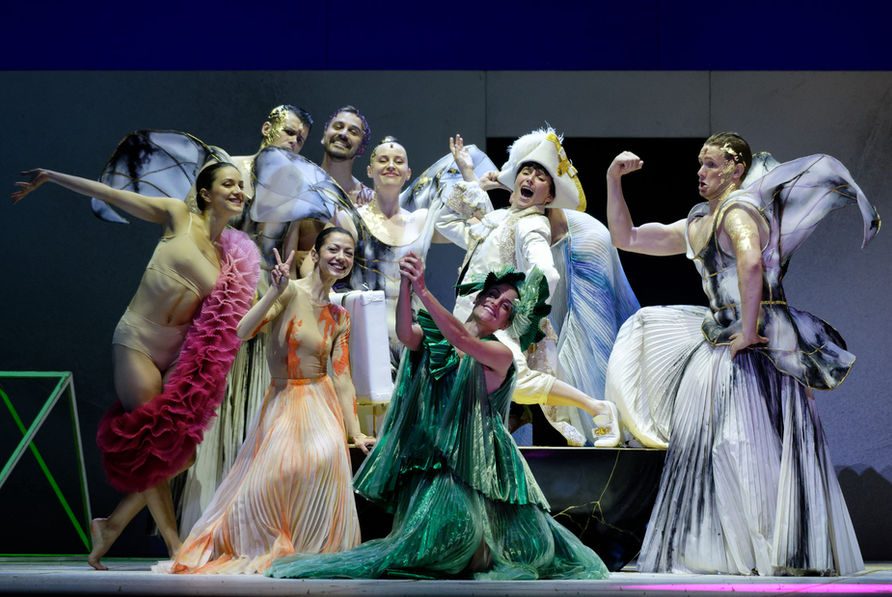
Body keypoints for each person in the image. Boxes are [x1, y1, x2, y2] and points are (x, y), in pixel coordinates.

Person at [604, 132, 878, 575]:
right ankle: (732, 549)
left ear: (736, 169)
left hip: (758, 345)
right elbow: (627, 237)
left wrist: (748, 332)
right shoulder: (701, 220)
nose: (701, 172)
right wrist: (614, 180)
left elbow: (750, 263)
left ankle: (765, 549)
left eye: (711, 164)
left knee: (742, 444)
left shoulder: (738, 211)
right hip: (726, 338)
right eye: (700, 163)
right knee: (724, 445)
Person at [265, 254, 609, 579]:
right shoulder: (439, 337)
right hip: (437, 454)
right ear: (478, 298)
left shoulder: (499, 353)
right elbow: (406, 334)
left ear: (507, 322)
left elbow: (461, 339)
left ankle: (482, 550)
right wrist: (406, 284)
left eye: (506, 306)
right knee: (439, 541)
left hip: (482, 461)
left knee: (487, 545)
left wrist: (423, 289)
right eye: (492, 295)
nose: (495, 303)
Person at [11, 161, 260, 570]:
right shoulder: (178, 216)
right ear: (205, 193)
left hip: (175, 355)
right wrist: (53, 177)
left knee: (183, 456)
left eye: (241, 186)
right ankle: (175, 546)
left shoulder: (228, 256)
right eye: (227, 183)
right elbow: (113, 194)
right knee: (154, 447)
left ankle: (110, 526)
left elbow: (245, 316)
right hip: (137, 342)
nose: (238, 191)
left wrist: (285, 292)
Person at [161, 227, 375, 574]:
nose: (341, 258)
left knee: (321, 462)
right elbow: (242, 331)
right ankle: (264, 545)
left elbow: (343, 379)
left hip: (320, 403)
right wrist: (274, 290)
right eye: (334, 249)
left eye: (348, 253)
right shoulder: (289, 291)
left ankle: (312, 551)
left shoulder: (340, 317)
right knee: (273, 478)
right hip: (283, 400)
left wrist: (357, 432)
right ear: (315, 254)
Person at [178, 105, 315, 534]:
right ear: (267, 128)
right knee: (213, 406)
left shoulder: (295, 190)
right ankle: (204, 523)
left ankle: (245, 524)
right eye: (289, 132)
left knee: (256, 408)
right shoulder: (228, 169)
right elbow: (194, 231)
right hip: (219, 293)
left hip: (265, 303)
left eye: (300, 138)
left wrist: (280, 300)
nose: (294, 142)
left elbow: (289, 256)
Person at [438, 129, 622, 446]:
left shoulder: (532, 224)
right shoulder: (498, 218)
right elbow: (446, 222)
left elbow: (547, 273)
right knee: (471, 392)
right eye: (526, 172)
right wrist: (474, 178)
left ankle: (597, 407)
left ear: (548, 197)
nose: (530, 178)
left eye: (540, 177)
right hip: (468, 320)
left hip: (498, 322)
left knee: (518, 380)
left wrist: (519, 318)